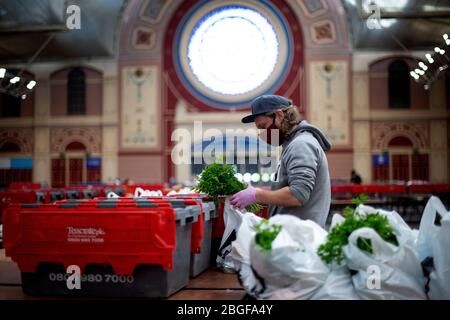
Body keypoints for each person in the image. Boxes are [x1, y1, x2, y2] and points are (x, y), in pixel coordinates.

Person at [230, 94, 332, 227]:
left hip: (299, 240)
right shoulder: (293, 145)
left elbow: (298, 194)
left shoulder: (300, 145)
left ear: (279, 115)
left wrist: (257, 195)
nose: (263, 133)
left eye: (263, 126)